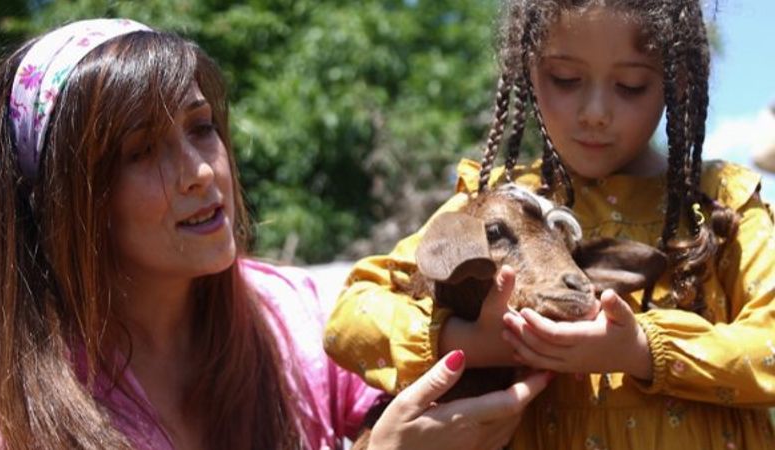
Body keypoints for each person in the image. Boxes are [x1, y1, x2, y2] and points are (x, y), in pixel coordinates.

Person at [0, 18, 550, 450]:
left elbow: (398, 395)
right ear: (66, 200)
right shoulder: (3, 415)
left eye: (201, 127)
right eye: (142, 151)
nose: (201, 172)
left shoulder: (290, 313)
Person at [324, 0, 775, 448]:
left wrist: (642, 350)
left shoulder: (721, 206)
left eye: (631, 85)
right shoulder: (499, 204)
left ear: (678, 82)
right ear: (529, 69)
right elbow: (350, 318)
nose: (595, 111)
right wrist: (466, 341)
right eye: (565, 78)